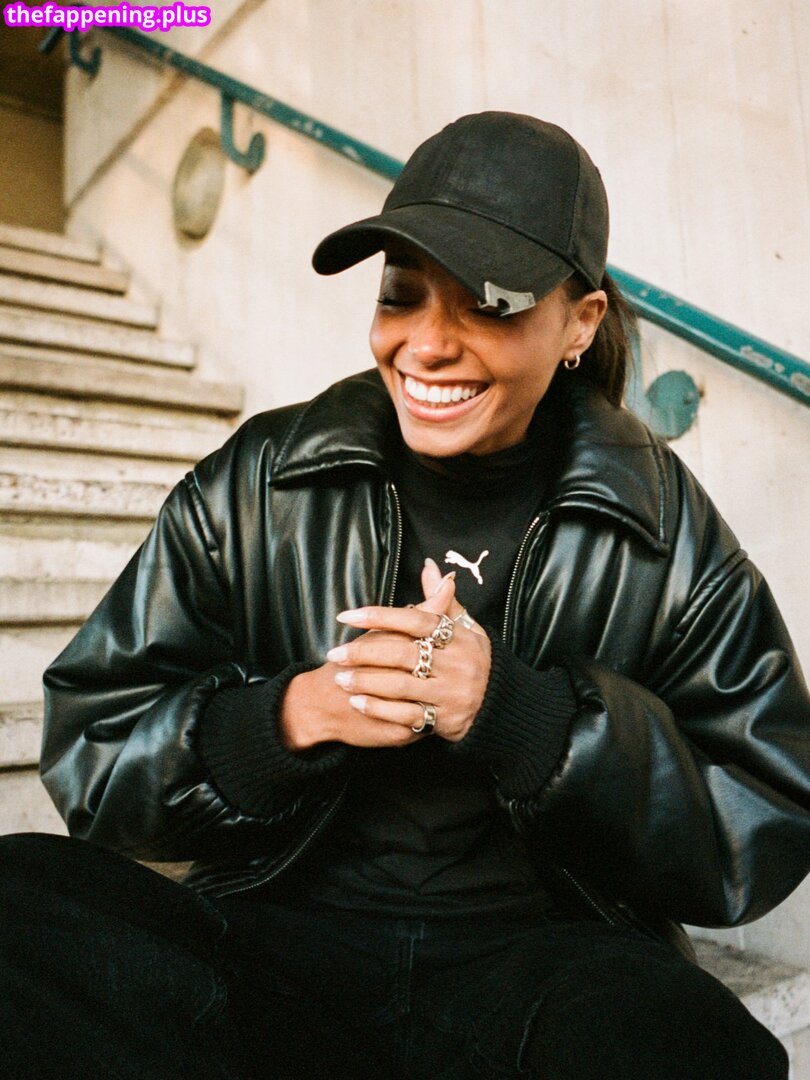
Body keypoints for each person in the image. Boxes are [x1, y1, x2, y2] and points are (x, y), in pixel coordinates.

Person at [1, 111, 807, 1080]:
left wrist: (522, 718)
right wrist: (288, 718)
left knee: (691, 1045)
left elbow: (766, 812)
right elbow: (94, 744)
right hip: (276, 943)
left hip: (539, 964)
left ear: (580, 323)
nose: (427, 345)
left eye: (491, 304)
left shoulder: (659, 523)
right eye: (401, 295)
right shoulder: (262, 481)